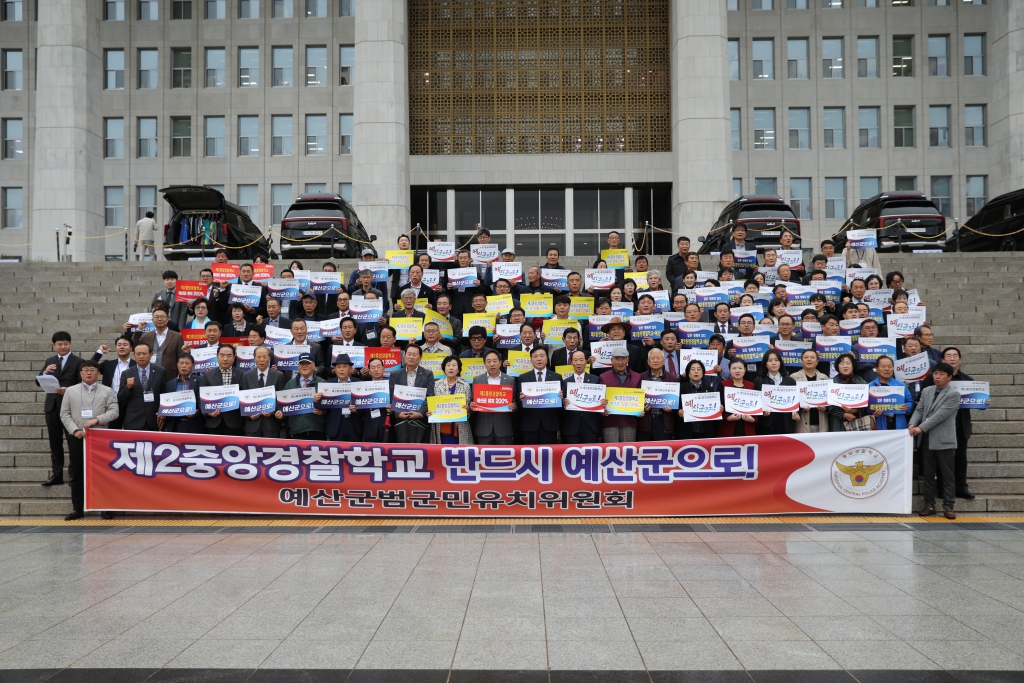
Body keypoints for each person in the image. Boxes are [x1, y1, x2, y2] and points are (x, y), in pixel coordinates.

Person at [59, 360, 119, 520]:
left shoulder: (107, 391)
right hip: (78, 437)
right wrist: (75, 430)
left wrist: (96, 420)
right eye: (85, 370)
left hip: (100, 438)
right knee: (77, 473)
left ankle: (105, 507)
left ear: (98, 373)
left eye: (93, 370)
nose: (89, 373)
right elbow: (64, 414)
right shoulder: (70, 391)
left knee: (103, 474)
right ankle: (77, 509)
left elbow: (114, 411)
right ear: (80, 373)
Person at [923, 347, 984, 500]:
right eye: (948, 356)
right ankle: (943, 488)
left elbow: (973, 401)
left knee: (960, 458)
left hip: (960, 424)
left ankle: (962, 487)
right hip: (940, 425)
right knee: (942, 460)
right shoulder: (933, 378)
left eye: (955, 356)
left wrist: (982, 402)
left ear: (960, 360)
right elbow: (924, 401)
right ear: (942, 360)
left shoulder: (968, 380)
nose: (952, 358)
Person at [910, 362, 962, 519]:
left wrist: (920, 428)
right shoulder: (927, 391)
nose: (937, 377)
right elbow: (919, 409)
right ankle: (929, 504)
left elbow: (940, 415)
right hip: (926, 440)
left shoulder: (953, 394)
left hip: (943, 439)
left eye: (941, 374)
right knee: (928, 474)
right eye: (935, 374)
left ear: (950, 377)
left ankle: (948, 506)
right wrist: (913, 423)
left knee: (947, 475)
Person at [239, 346, 287, 438]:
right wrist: (248, 415)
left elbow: (281, 399)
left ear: (269, 358)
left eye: (265, 357)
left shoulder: (279, 375)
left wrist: (273, 412)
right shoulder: (246, 376)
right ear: (254, 359)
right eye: (259, 357)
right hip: (253, 424)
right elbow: (243, 399)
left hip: (271, 424)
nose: (261, 360)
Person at [517, 347, 562, 444]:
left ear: (547, 359)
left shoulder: (556, 377)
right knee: (530, 455)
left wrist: (561, 398)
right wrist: (521, 399)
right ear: (531, 360)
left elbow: (562, 403)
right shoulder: (523, 378)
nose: (539, 359)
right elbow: (518, 403)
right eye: (535, 356)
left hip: (550, 424)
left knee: (548, 455)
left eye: (542, 356)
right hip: (530, 424)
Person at [470, 349, 516, 445]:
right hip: (484, 428)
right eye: (489, 361)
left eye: (495, 361)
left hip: (504, 428)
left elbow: (515, 401)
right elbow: (472, 400)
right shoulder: (477, 380)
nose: (492, 364)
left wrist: (514, 406)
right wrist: (471, 405)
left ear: (500, 362)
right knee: (484, 458)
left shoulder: (509, 380)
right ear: (484, 363)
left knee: (504, 457)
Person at [276, 353, 326, 440]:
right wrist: (279, 414)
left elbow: (331, 408)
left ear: (314, 366)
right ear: (298, 366)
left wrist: (323, 412)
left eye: (307, 363)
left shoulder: (323, 383)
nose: (304, 366)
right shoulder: (290, 384)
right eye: (302, 364)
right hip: (295, 431)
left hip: (317, 430)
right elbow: (281, 407)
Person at [117, 341, 165, 431]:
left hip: (154, 420)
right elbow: (121, 398)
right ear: (134, 355)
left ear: (151, 354)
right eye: (138, 354)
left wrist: (162, 412)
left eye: (144, 353)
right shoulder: (126, 373)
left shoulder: (160, 372)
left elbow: (164, 393)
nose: (141, 356)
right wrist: (128, 387)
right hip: (133, 420)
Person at [561, 348, 604, 444]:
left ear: (586, 362)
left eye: (581, 360)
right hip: (571, 427)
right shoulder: (565, 382)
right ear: (571, 362)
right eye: (575, 360)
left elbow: (600, 402)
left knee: (590, 456)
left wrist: (602, 402)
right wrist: (563, 403)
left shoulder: (595, 379)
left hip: (591, 425)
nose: (578, 363)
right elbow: (561, 407)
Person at [599, 346, 641, 443]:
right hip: (610, 421)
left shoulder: (637, 377)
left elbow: (641, 399)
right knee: (611, 452)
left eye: (623, 359)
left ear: (628, 360)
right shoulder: (603, 377)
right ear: (611, 360)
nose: (620, 362)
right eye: (617, 359)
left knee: (629, 452)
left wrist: (641, 409)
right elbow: (599, 399)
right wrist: (602, 407)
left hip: (630, 421)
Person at [199, 344, 243, 436]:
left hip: (235, 423)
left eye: (229, 355)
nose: (225, 359)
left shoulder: (242, 374)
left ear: (234, 357)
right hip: (214, 422)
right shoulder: (208, 375)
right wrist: (208, 413)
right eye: (222, 355)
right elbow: (201, 398)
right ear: (217, 356)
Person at [429, 356, 474, 445]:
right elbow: (433, 404)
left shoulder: (465, 385)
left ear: (458, 369)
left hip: (460, 426)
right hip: (441, 425)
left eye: (454, 365)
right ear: (444, 368)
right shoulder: (436, 385)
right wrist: (430, 412)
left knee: (461, 453)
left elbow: (468, 405)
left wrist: (468, 409)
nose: (451, 368)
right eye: (448, 365)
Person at [753, 350, 799, 435]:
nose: (773, 363)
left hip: (786, 424)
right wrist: (762, 413)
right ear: (765, 363)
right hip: (766, 425)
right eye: (770, 360)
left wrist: (796, 414)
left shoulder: (790, 380)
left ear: (780, 362)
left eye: (776, 360)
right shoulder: (758, 381)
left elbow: (796, 401)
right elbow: (755, 403)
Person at [133, 306, 184, 380]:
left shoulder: (177, 336)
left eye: (162, 316)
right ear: (152, 320)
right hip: (149, 375)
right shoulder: (146, 336)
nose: (159, 319)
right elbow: (135, 346)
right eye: (156, 317)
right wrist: (139, 330)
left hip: (170, 375)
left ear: (167, 319)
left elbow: (180, 357)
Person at [638, 348, 678, 442]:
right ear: (648, 361)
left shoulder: (673, 379)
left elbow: (677, 403)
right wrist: (640, 408)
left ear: (664, 361)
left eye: (658, 358)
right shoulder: (640, 378)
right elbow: (634, 400)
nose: (655, 360)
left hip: (663, 422)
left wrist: (672, 409)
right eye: (652, 358)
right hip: (645, 422)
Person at [322, 353, 363, 442]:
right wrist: (316, 400)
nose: (341, 370)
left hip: (354, 424)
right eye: (338, 367)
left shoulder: (359, 383)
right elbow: (323, 407)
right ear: (335, 369)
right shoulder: (328, 384)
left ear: (350, 368)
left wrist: (357, 410)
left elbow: (365, 406)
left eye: (344, 366)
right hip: (336, 426)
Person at [867, 355, 914, 432]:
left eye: (889, 366)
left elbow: (910, 401)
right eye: (883, 366)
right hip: (878, 426)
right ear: (877, 369)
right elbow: (864, 409)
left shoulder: (901, 385)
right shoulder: (870, 386)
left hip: (899, 425)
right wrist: (873, 414)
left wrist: (907, 406)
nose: (886, 369)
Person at [160, 354, 203, 433]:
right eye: (181, 363)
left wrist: (198, 412)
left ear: (193, 366)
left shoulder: (200, 381)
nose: (184, 366)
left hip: (194, 425)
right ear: (177, 365)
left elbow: (203, 402)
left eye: (187, 363)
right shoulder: (169, 384)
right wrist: (162, 412)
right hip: (175, 425)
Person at [827, 353, 869, 432]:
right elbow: (829, 406)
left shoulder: (861, 382)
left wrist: (855, 411)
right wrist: (844, 414)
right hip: (838, 422)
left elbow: (866, 404)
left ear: (853, 365)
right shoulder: (832, 382)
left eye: (848, 363)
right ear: (837, 366)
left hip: (858, 421)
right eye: (842, 363)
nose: (845, 366)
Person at [792, 349, 829, 434]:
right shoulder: (793, 378)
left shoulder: (824, 378)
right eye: (806, 357)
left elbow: (830, 401)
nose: (809, 359)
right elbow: (790, 402)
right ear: (801, 361)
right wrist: (801, 409)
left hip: (821, 423)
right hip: (802, 424)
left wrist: (826, 408)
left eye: (812, 357)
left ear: (817, 362)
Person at [718, 358, 757, 437]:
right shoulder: (723, 384)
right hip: (728, 427)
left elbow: (756, 406)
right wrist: (727, 418)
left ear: (745, 369)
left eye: (740, 368)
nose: (737, 371)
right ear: (729, 370)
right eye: (734, 368)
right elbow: (719, 405)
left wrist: (753, 419)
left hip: (747, 425)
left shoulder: (751, 385)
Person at [91, 335, 136, 402]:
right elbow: (90, 367)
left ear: (131, 348)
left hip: (130, 403)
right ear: (116, 348)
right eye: (119, 345)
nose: (122, 347)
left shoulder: (136, 365)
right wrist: (100, 352)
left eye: (125, 345)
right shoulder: (107, 364)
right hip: (109, 402)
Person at [359, 358, 390, 441]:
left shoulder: (391, 387)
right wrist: (355, 409)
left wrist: (392, 408)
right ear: (369, 371)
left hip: (388, 429)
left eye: (378, 367)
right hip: (369, 430)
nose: (376, 370)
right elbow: (360, 413)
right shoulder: (363, 388)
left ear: (384, 369)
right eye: (373, 368)